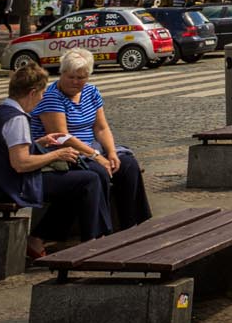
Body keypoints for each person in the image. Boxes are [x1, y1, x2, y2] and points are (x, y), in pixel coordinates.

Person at [0, 63, 111, 260]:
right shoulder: (17, 119)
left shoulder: (3, 111)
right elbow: (21, 164)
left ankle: (39, 238)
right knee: (87, 181)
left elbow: (11, 150)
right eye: (41, 94)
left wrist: (40, 142)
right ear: (32, 93)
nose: (41, 99)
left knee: (78, 180)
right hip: (4, 185)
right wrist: (57, 154)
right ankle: (91, 241)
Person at [35, 49, 154, 230]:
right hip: (67, 153)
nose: (75, 82)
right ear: (62, 73)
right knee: (98, 172)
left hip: (92, 147)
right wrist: (96, 156)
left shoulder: (91, 92)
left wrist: (112, 152)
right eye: (71, 77)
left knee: (128, 164)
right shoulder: (51, 97)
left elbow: (101, 127)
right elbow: (63, 137)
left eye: (81, 78)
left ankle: (132, 224)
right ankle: (101, 230)